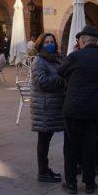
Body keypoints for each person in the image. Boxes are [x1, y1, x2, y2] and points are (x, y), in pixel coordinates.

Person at [58, 26, 98, 195]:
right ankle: (89, 183)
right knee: (90, 146)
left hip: (74, 108)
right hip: (94, 108)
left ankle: (71, 183)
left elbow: (60, 71)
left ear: (82, 41)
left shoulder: (75, 56)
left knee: (71, 147)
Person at [30, 33, 65, 183]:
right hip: (44, 106)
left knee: (46, 139)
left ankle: (45, 170)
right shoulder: (39, 61)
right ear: (41, 44)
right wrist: (62, 78)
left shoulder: (56, 59)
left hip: (54, 105)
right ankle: (42, 172)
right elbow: (42, 82)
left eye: (52, 42)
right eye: (47, 42)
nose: (50, 44)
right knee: (44, 140)